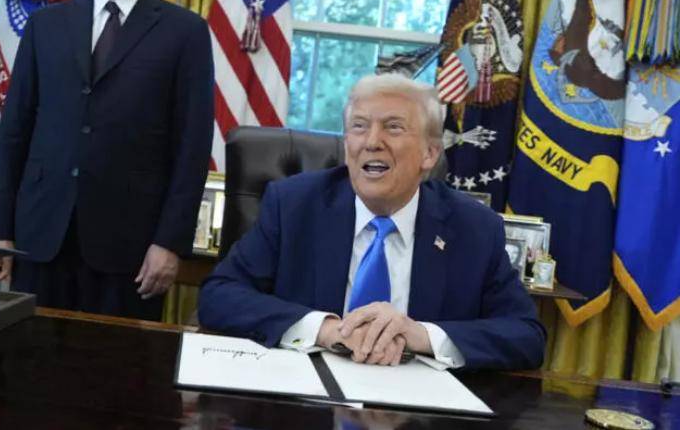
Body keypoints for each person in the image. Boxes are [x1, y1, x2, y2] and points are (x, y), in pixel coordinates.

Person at [198, 74, 546, 370]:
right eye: (359, 127)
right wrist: (325, 330)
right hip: (304, 397)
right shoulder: (293, 205)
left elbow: (526, 335)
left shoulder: (474, 227)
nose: (372, 142)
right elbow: (219, 296)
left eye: (393, 127)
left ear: (429, 154)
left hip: (417, 406)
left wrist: (421, 335)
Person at [0, 0, 214, 320]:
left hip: (131, 250)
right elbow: (14, 132)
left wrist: (170, 242)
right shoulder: (46, 26)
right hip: (39, 238)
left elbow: (192, 149)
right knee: (26, 357)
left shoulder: (186, 33)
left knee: (113, 362)